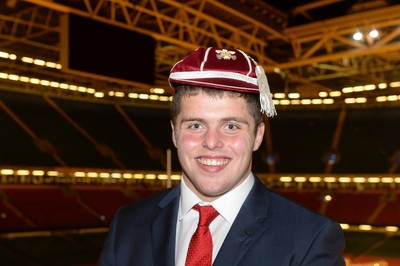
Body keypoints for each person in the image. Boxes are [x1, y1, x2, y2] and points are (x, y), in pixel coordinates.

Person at [98, 47, 345, 266]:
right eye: (196, 125)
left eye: (231, 126)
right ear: (174, 133)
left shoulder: (310, 238)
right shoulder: (128, 225)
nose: (212, 142)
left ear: (258, 136)